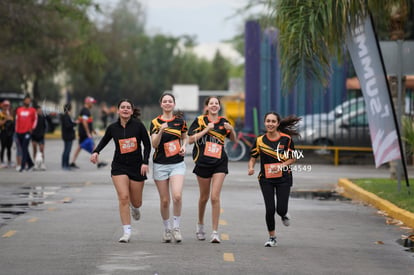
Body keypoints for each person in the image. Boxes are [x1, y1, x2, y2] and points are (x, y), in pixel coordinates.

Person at [90, 99, 151, 243]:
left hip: (136, 166)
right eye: (122, 107)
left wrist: (145, 162)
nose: (125, 109)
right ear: (118, 110)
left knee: (136, 202)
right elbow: (104, 140)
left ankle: (134, 208)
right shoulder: (113, 128)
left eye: (128, 108)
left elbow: (147, 145)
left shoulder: (138, 126)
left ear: (131, 111)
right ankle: (126, 231)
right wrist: (96, 152)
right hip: (119, 166)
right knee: (123, 197)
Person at [247, 112, 301, 247]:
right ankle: (272, 237)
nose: (270, 124)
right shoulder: (259, 140)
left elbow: (293, 158)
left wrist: (282, 165)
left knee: (280, 209)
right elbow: (253, 157)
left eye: (273, 121)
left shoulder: (286, 139)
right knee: (270, 209)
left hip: (284, 178)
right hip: (266, 179)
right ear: (264, 123)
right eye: (268, 121)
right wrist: (251, 168)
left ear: (277, 124)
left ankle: (283, 214)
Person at [188, 96, 236, 243]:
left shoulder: (224, 122)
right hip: (203, 162)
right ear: (207, 107)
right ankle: (200, 225)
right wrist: (206, 130)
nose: (214, 106)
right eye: (211, 103)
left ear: (219, 107)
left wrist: (232, 130)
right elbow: (190, 140)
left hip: (219, 162)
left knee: (215, 196)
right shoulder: (200, 121)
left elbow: (233, 140)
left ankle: (215, 232)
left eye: (216, 103)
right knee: (204, 197)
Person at [150, 93, 188, 243]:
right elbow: (154, 144)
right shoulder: (155, 122)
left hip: (177, 163)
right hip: (160, 164)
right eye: (164, 101)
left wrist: (184, 146)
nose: (167, 103)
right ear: (161, 104)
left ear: (173, 104)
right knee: (165, 201)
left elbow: (185, 137)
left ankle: (176, 228)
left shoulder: (180, 122)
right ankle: (166, 229)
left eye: (170, 101)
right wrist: (161, 130)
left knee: (177, 196)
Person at [70, 96, 107, 169]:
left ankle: (72, 162)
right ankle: (98, 163)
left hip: (84, 133)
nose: (92, 104)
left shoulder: (85, 110)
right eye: (91, 103)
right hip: (84, 133)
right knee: (92, 146)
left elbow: (88, 122)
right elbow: (84, 122)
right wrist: (88, 133)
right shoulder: (85, 111)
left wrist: (92, 130)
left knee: (81, 147)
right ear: (88, 102)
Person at [15, 95, 37, 172]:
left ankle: (23, 166)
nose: (28, 101)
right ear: (24, 101)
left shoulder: (33, 110)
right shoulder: (19, 110)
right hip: (19, 132)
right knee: (24, 149)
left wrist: (32, 128)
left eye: (29, 100)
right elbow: (17, 120)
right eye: (27, 100)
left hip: (27, 132)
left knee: (24, 148)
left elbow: (35, 120)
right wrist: (16, 130)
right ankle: (30, 164)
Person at [60, 103, 77, 171]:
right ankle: (65, 165)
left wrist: (74, 123)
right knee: (67, 151)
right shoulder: (66, 116)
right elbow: (68, 125)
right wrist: (74, 124)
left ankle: (65, 164)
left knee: (66, 150)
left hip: (67, 136)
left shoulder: (66, 116)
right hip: (68, 136)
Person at [31, 105, 47, 170]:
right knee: (34, 149)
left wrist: (43, 133)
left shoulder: (43, 117)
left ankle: (42, 163)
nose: (40, 112)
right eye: (39, 111)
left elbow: (45, 126)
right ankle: (36, 163)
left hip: (41, 136)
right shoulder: (33, 118)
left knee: (41, 150)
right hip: (34, 136)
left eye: (41, 111)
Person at [0, 100, 15, 168]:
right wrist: (6, 119)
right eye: (5, 106)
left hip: (10, 133)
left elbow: (13, 124)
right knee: (3, 147)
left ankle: (9, 161)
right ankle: (2, 161)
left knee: (9, 147)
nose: (6, 107)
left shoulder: (10, 114)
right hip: (3, 132)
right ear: (2, 106)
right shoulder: (1, 114)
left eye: (7, 106)